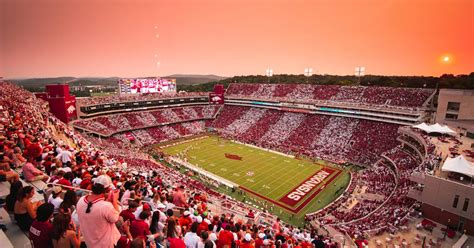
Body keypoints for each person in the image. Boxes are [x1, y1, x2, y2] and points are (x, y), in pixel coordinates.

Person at [76, 175, 121, 248]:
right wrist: (115, 201)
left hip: (89, 243)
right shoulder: (106, 206)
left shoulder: (81, 200)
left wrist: (108, 201)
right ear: (108, 190)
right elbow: (115, 218)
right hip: (104, 245)